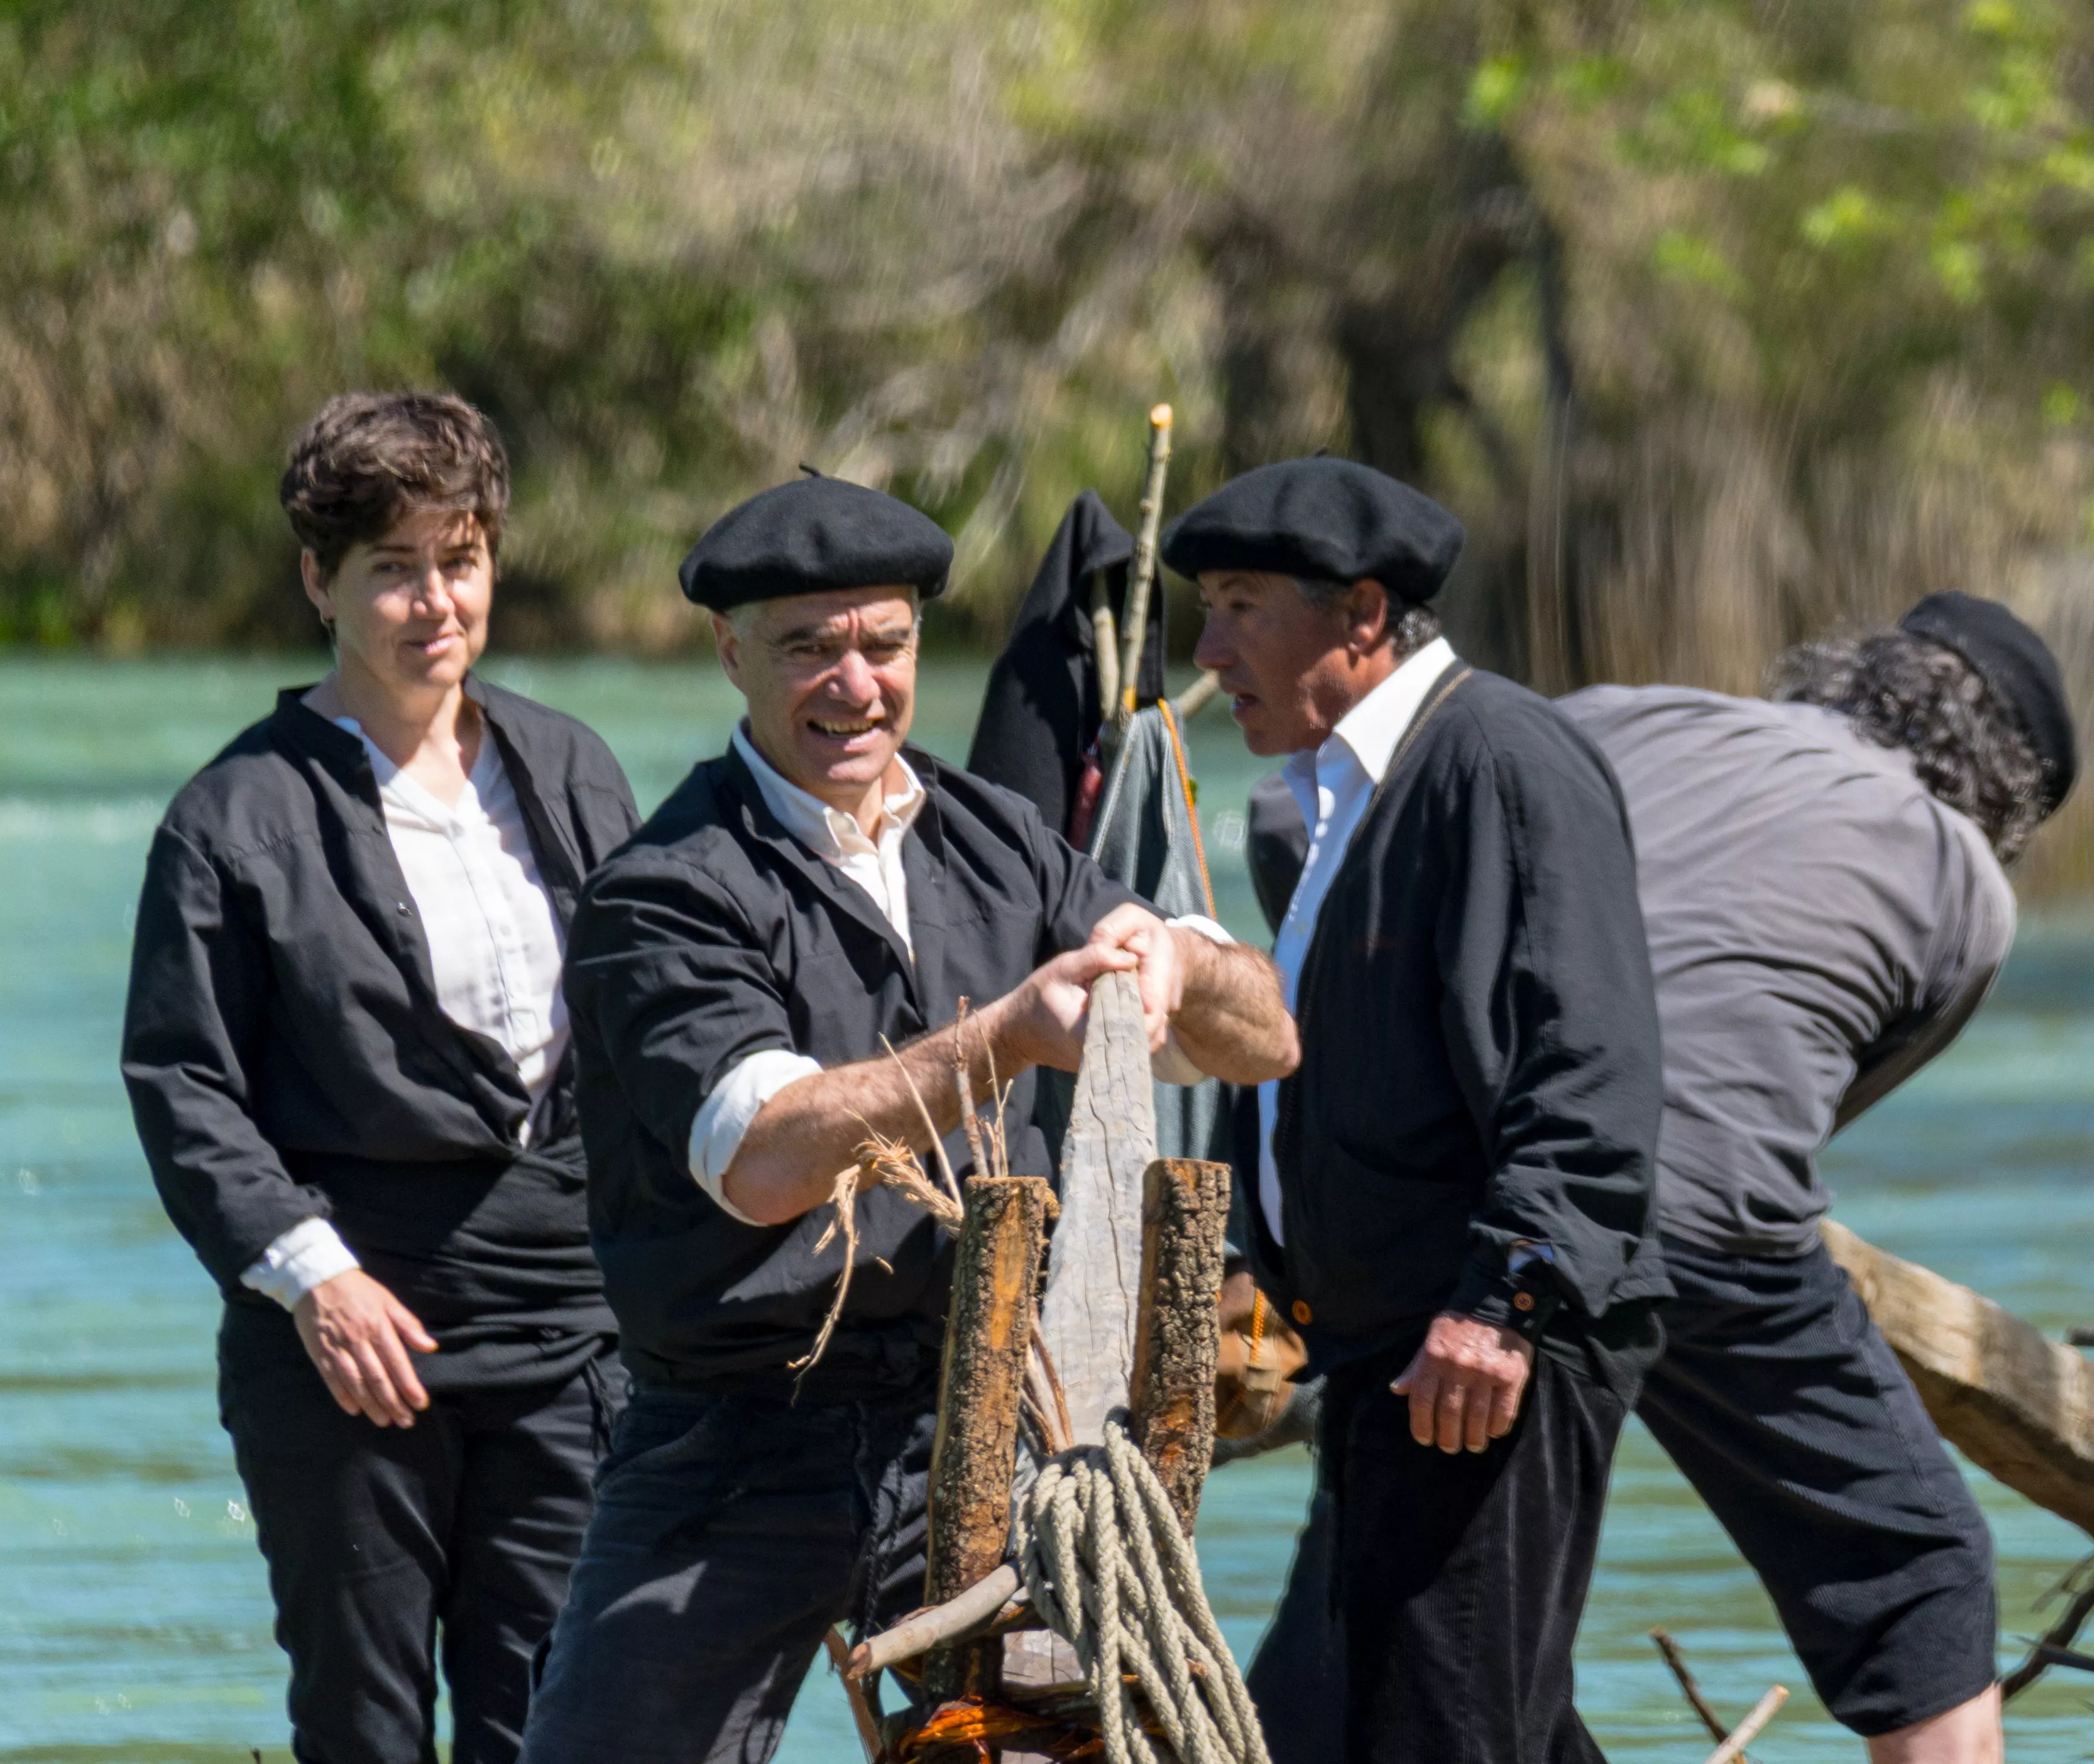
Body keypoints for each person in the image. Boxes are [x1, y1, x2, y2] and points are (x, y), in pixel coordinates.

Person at [518, 473, 1299, 1763]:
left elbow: (1264, 1041)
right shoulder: (665, 890)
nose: (855, 684)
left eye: (883, 644)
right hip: (736, 1434)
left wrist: (1174, 956)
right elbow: (763, 1156)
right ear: (730, 653)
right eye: (807, 647)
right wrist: (1012, 1032)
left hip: (989, 1411)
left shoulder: (1001, 839)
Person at [123, 391, 640, 1764]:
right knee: (365, 1730)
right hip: (349, 1343)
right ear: (319, 580)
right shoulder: (229, 818)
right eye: (393, 568)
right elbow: (184, 1085)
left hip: (566, 1329)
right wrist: (315, 1278)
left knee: (561, 1721)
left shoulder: (575, 770)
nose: (435, 601)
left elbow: (645, 1035)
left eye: (459, 560)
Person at [1179, 456, 1669, 1764]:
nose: (1209, 649)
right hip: (1393, 1345)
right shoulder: (1347, 788)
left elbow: (1588, 1058)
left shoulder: (1496, 757)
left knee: (1438, 1728)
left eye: (1241, 607)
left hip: (1473, 1345)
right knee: (1475, 1722)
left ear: (1361, 613)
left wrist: (1501, 1299)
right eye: (1207, 609)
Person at [1551, 591, 2075, 1764]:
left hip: (1460, 1179)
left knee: (1477, 1582)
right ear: (2009, 790)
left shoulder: (1633, 714)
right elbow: (1797, 1117)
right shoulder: (1969, 888)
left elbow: (1334, 818)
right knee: (1917, 1568)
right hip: (1692, 1220)